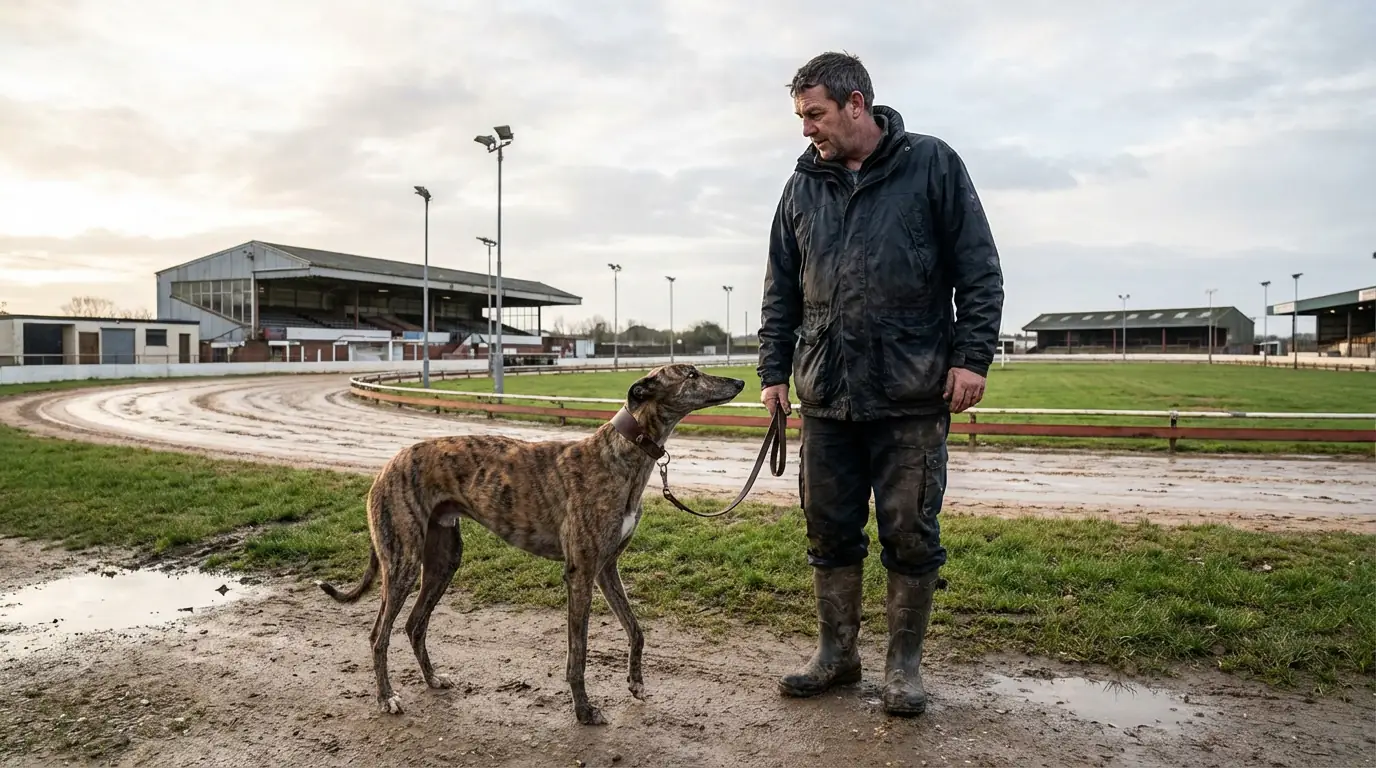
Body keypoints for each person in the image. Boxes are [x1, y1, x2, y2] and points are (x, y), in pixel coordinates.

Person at [757, 51, 1004, 716]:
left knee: (910, 531)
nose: (806, 129)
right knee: (828, 530)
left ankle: (903, 668)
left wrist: (972, 358)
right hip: (827, 396)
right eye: (801, 116)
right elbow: (781, 287)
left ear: (856, 104)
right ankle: (836, 657)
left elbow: (978, 270)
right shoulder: (801, 184)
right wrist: (773, 373)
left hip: (912, 394)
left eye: (815, 114)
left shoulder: (932, 164)